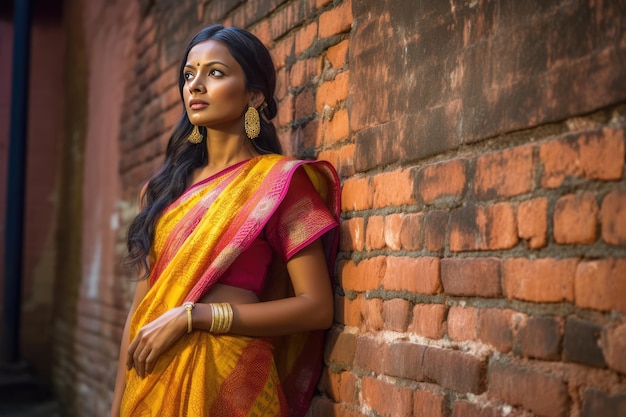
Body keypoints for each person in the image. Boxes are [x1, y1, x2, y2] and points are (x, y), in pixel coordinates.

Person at [109, 25, 340, 417]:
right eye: (189, 74)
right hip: (155, 382)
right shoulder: (162, 191)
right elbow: (141, 313)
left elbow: (316, 307)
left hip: (234, 381)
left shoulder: (279, 184)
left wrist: (195, 316)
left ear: (254, 95)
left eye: (215, 72)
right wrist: (117, 408)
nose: (195, 85)